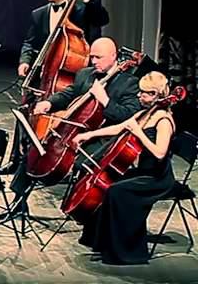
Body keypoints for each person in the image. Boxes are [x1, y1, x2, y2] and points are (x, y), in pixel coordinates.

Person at [2, 37, 142, 219]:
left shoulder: (129, 83)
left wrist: (105, 100)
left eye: (99, 57)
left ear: (113, 56)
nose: (94, 61)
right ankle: (18, 202)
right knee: (35, 151)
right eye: (92, 57)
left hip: (104, 136)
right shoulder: (86, 74)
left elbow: (127, 116)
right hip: (76, 130)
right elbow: (69, 94)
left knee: (81, 163)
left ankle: (80, 208)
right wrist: (49, 104)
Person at [73, 71, 177, 265]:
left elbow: (160, 153)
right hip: (143, 172)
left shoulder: (164, 120)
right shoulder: (145, 113)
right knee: (107, 185)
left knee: (117, 191)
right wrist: (89, 135)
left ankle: (126, 251)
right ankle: (101, 243)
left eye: (143, 92)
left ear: (155, 95)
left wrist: (139, 133)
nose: (139, 95)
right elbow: (120, 127)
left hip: (157, 179)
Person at [18, 0, 110, 78]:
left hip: (79, 71)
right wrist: (24, 62)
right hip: (47, 72)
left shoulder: (82, 7)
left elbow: (102, 20)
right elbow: (29, 43)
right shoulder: (39, 14)